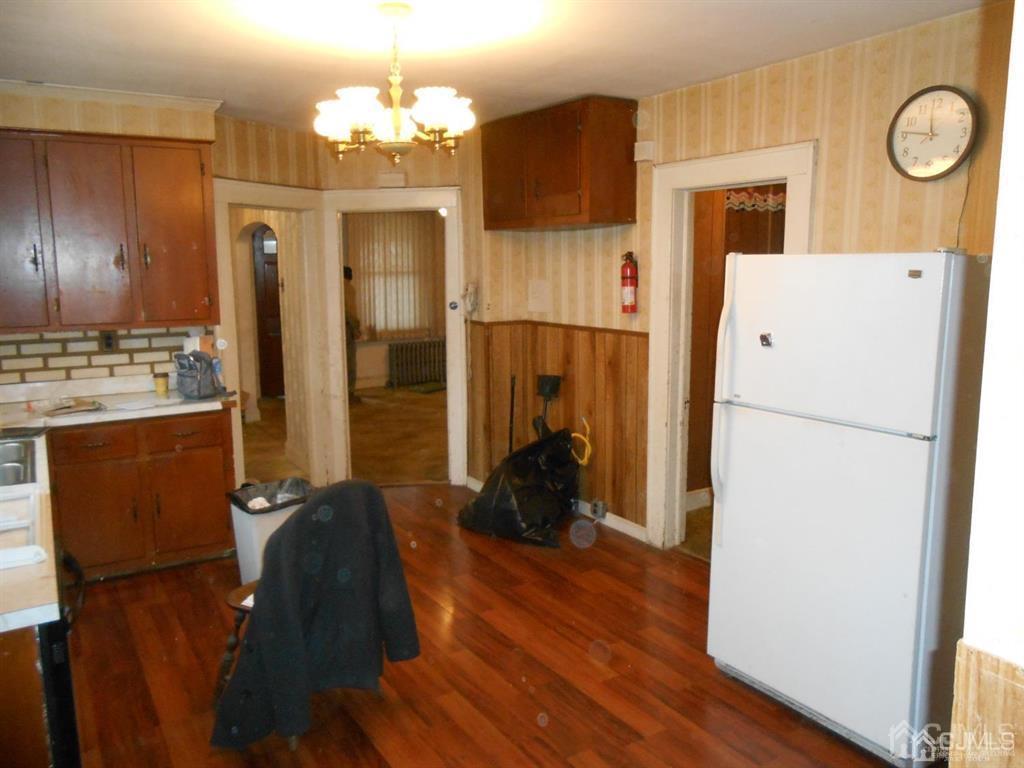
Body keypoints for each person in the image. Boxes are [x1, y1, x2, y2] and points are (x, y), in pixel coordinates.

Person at [344, 266, 361, 403]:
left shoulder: (336, 287)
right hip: (347, 329)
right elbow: (350, 311)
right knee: (350, 362)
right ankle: (349, 392)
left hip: (340, 329)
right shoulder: (348, 288)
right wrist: (356, 329)